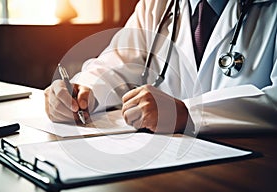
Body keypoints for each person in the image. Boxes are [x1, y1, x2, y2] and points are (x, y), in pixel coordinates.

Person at [45, 0, 277, 134]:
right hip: (169, 164)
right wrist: (82, 93)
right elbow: (118, 62)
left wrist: (187, 114)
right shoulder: (157, 4)